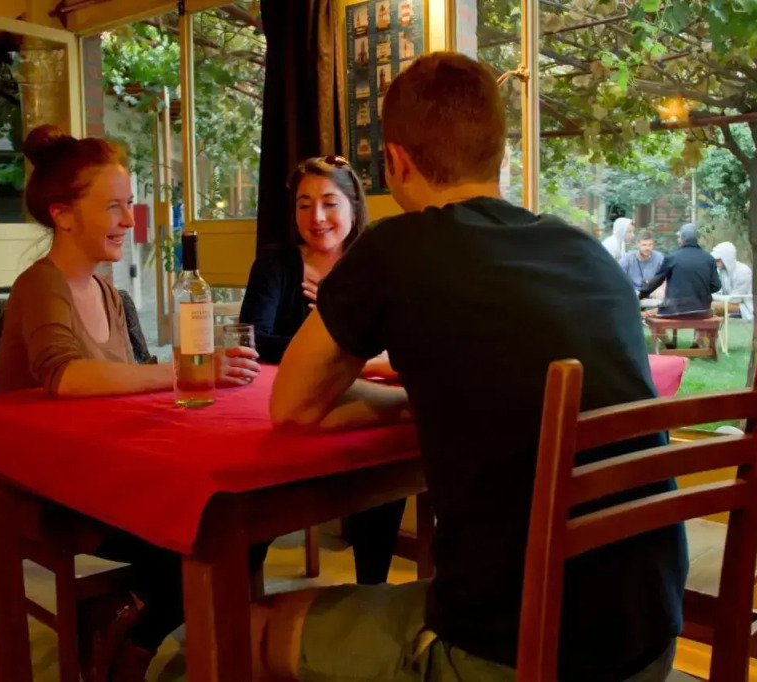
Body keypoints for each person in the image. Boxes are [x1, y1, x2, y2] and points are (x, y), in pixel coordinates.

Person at [252, 52, 687, 682]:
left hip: (517, 655)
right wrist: (422, 399)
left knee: (228, 631)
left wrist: (401, 403)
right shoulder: (586, 251)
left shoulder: (397, 248)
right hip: (648, 638)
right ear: (498, 155)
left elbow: (291, 406)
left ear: (397, 161)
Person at [0, 125, 267, 682]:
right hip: (58, 489)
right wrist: (188, 371)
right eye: (114, 206)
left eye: (130, 205)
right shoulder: (41, 285)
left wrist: (197, 375)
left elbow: (128, 383)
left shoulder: (110, 294)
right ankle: (130, 636)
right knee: (215, 526)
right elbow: (65, 376)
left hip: (106, 471)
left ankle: (130, 623)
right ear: (63, 215)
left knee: (249, 518)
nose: (129, 221)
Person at [239, 155, 405, 585]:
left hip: (358, 403)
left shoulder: (373, 267)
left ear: (353, 206)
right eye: (304, 204)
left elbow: (401, 341)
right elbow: (254, 339)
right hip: (280, 403)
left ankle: (372, 586)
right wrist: (328, 339)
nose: (316, 217)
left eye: (330, 203)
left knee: (382, 456)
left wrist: (335, 334)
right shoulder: (276, 264)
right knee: (255, 472)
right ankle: (241, 587)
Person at [639, 223, 722, 348]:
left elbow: (656, 281)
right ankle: (696, 344)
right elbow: (717, 286)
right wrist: (700, 289)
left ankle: (668, 344)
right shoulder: (708, 258)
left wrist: (641, 295)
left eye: (679, 237)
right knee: (710, 311)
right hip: (702, 310)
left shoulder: (672, 257)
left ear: (682, 239)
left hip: (673, 310)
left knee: (648, 316)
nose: (678, 240)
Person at [710, 241, 754, 322]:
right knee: (704, 306)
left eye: (718, 260)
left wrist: (711, 297)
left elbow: (735, 299)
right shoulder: (721, 272)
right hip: (729, 303)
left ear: (726, 259)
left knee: (711, 307)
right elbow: (718, 291)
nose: (715, 263)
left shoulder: (743, 271)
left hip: (744, 308)